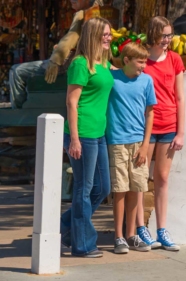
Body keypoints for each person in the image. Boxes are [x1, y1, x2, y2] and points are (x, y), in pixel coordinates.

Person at [60, 17, 114, 258]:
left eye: (109, 34)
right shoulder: (80, 64)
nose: (109, 37)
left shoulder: (102, 63)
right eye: (104, 34)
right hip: (82, 134)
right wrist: (74, 139)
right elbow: (72, 102)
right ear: (92, 35)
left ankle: (66, 225)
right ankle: (82, 244)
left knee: (102, 188)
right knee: (84, 189)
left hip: (99, 133)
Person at [136, 16, 185, 251]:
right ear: (153, 34)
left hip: (168, 125)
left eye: (170, 35)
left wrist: (180, 131)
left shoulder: (175, 59)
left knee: (162, 178)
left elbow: (180, 96)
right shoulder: (142, 58)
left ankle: (162, 229)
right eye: (163, 35)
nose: (167, 40)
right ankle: (139, 227)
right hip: (145, 125)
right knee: (140, 177)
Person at [105, 42, 157, 254]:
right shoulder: (112, 79)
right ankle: (118, 236)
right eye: (140, 61)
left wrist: (146, 145)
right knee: (120, 189)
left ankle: (131, 234)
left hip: (138, 142)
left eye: (145, 62)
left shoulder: (146, 81)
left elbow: (150, 112)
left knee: (137, 188)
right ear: (126, 60)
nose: (144, 66)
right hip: (117, 141)